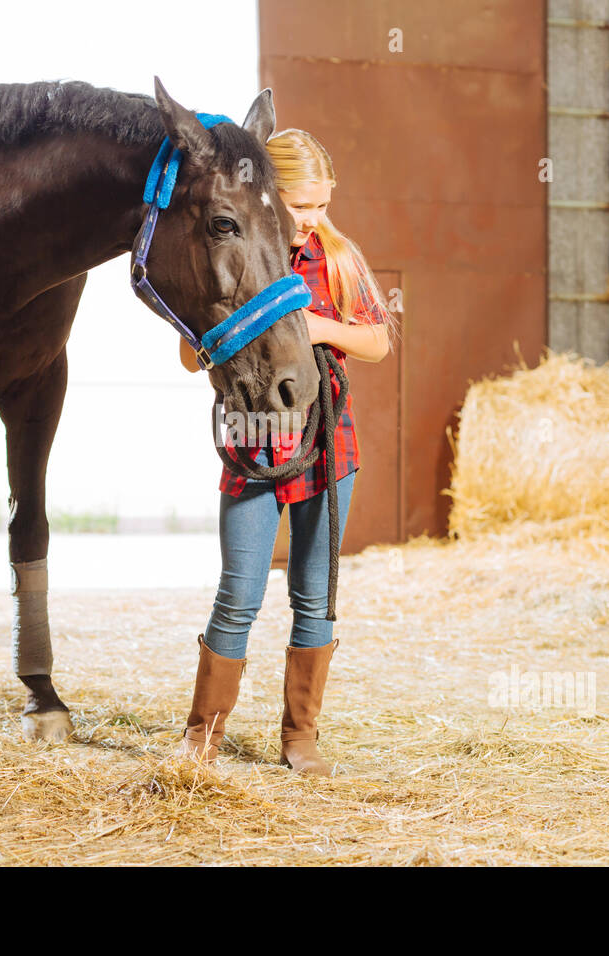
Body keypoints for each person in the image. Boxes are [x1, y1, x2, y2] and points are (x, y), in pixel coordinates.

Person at [175, 128, 397, 776]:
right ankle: (202, 737)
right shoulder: (236, 257)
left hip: (328, 446)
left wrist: (313, 326)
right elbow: (191, 355)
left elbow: (378, 341)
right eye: (304, 206)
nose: (314, 219)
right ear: (268, 195)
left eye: (323, 205)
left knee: (315, 595)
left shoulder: (337, 257)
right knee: (239, 594)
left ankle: (301, 738)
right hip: (252, 447)